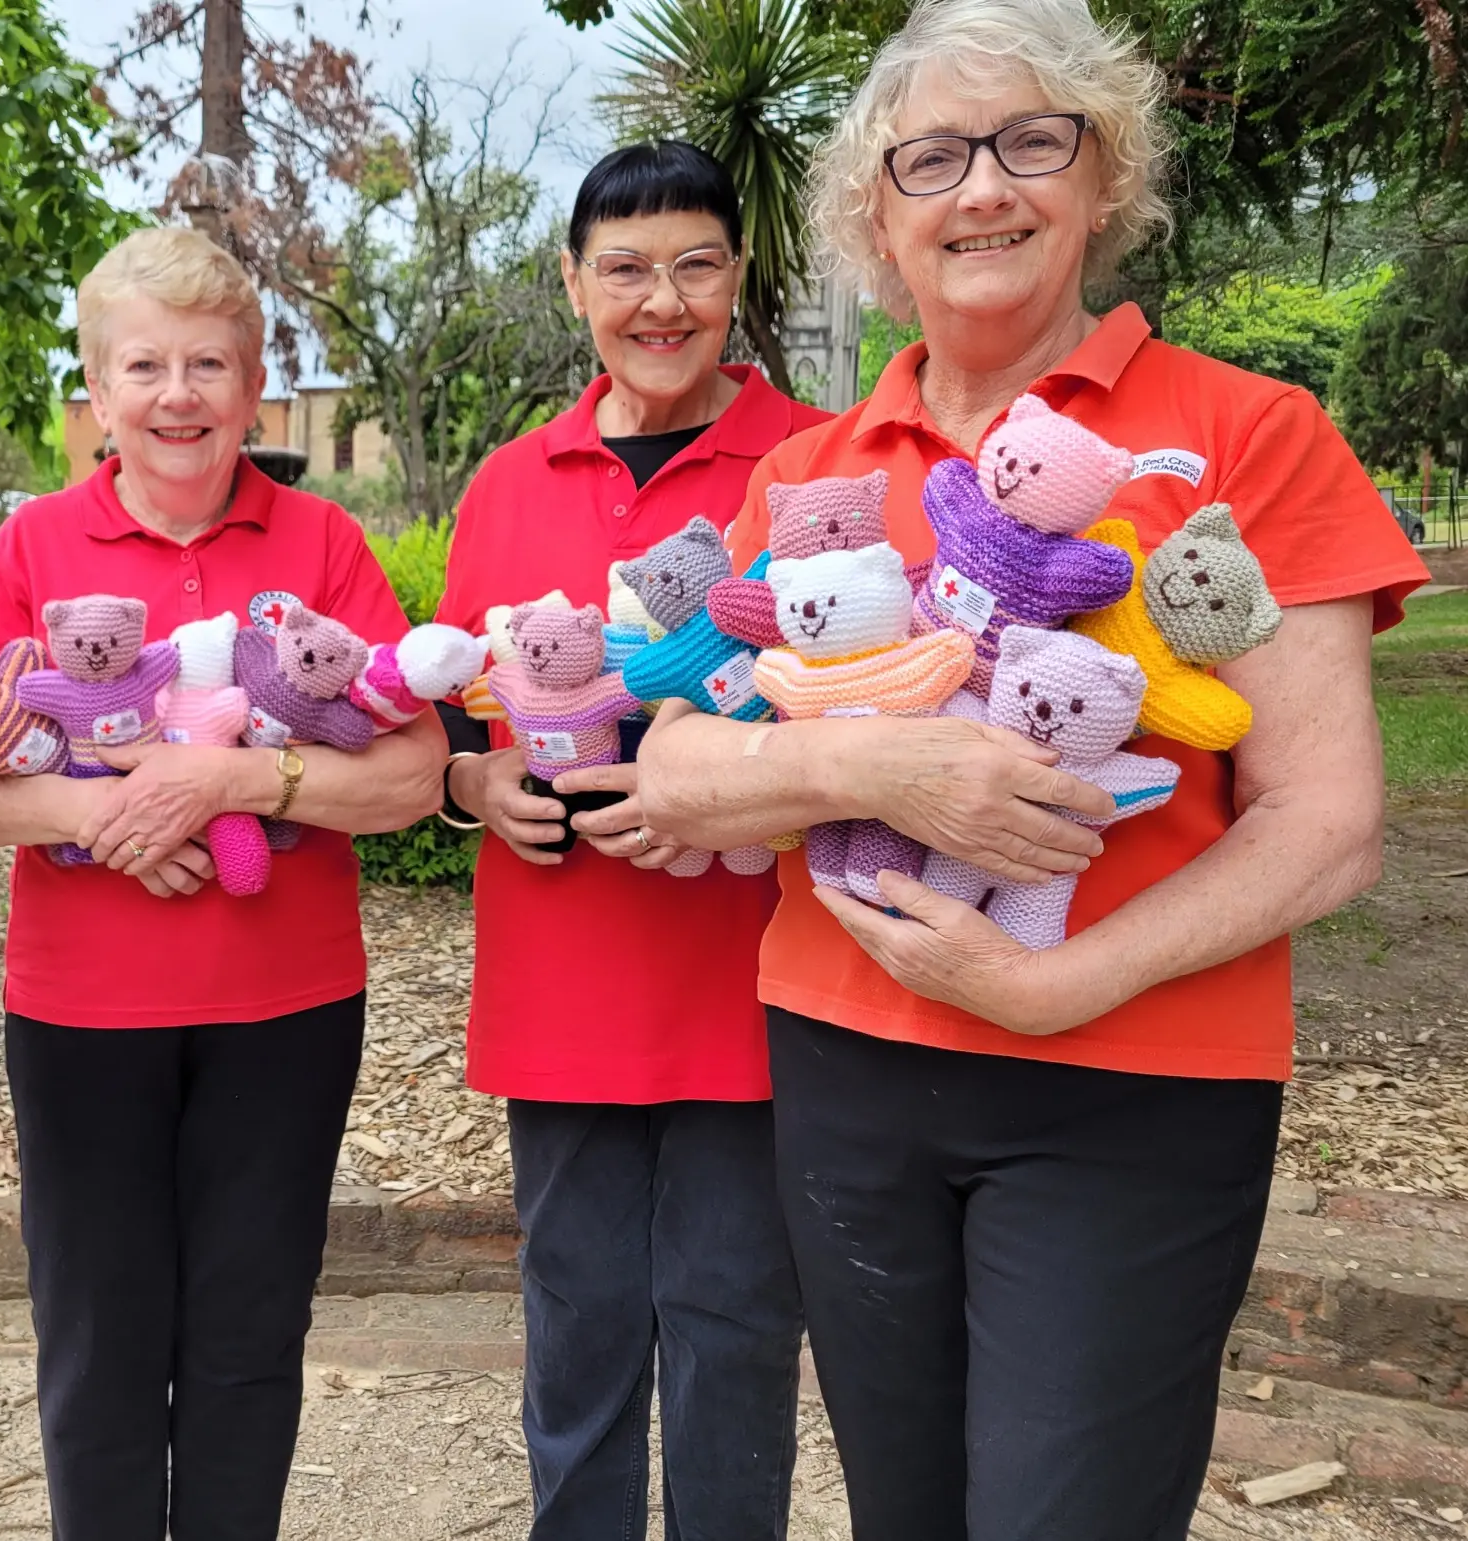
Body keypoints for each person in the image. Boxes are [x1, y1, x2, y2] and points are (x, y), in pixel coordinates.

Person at [635, 2, 1429, 1536]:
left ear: (1103, 176)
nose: (979, 188)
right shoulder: (811, 473)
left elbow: (1329, 826)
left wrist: (1064, 983)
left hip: (1130, 1078)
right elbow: (672, 773)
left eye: (1028, 142)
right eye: (930, 158)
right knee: (904, 1512)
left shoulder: (1244, 436)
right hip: (850, 1073)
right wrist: (892, 758)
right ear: (879, 213)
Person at [0, 225, 447, 1540]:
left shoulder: (317, 542)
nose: (178, 395)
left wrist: (231, 785)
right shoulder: (34, 545)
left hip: (287, 1009)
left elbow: (415, 773)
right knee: (97, 1345)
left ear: (255, 385)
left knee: (250, 1339)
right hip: (82, 1017)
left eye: (209, 362)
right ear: (95, 392)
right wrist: (111, 810)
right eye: (143, 364)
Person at [432, 141, 821, 1538]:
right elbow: (459, 718)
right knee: (579, 1322)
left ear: (739, 276)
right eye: (625, 270)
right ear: (575, 284)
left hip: (759, 980)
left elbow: (861, 703)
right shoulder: (508, 481)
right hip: (564, 979)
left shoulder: (814, 465)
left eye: (695, 265)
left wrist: (729, 788)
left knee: (734, 1325)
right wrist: (473, 791)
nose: (662, 301)